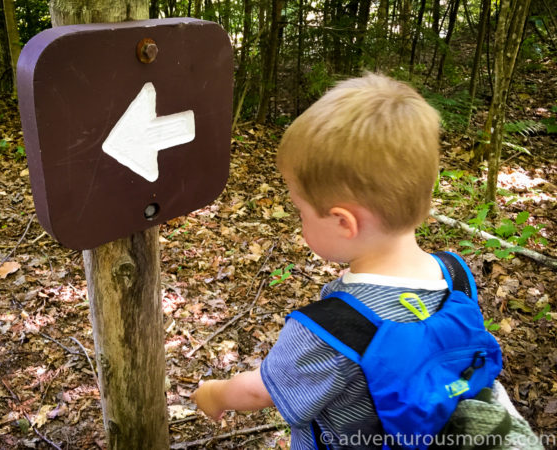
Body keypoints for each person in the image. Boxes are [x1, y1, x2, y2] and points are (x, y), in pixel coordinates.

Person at [191, 73, 467, 448]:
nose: (298, 219)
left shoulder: (333, 328)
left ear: (343, 222)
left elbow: (262, 391)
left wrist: (215, 393)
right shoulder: (456, 277)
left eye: (301, 211)